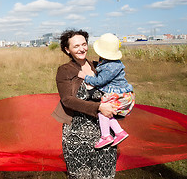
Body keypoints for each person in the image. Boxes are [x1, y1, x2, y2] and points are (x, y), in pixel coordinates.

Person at [52, 29, 117, 179]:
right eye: (76, 46)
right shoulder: (65, 70)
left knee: (105, 175)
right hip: (77, 135)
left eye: (84, 44)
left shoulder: (99, 67)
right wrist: (98, 107)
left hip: (104, 133)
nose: (81, 49)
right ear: (67, 50)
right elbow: (67, 100)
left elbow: (115, 89)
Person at [77, 33, 135, 148]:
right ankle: (119, 132)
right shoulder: (111, 62)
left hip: (119, 95)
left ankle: (106, 136)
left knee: (103, 111)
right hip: (122, 94)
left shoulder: (110, 67)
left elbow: (100, 81)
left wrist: (85, 77)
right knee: (107, 113)